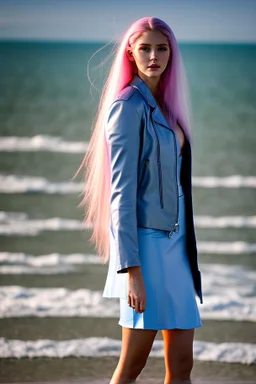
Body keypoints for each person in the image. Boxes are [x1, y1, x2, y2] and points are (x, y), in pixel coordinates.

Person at [77, 17, 203, 384]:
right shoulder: (127, 107)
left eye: (161, 47)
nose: (154, 56)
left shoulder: (166, 105)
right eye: (145, 47)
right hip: (145, 250)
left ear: (171, 52)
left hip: (177, 247)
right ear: (130, 52)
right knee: (133, 364)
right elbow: (122, 196)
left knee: (182, 366)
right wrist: (132, 273)